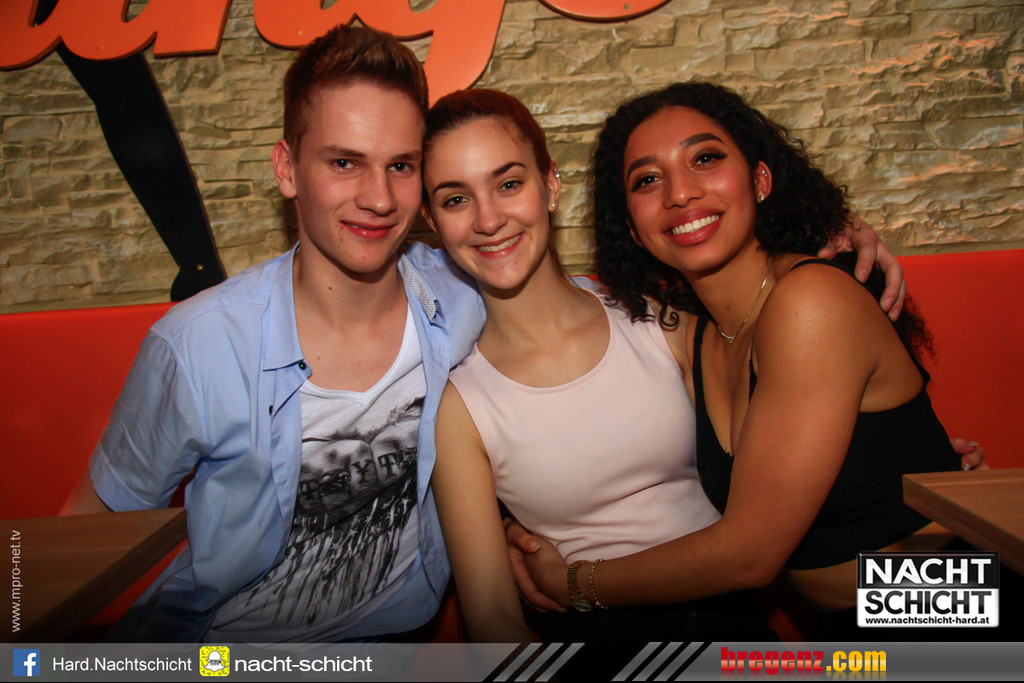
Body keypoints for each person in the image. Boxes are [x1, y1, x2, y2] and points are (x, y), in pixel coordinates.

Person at [421, 88, 946, 648]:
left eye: (705, 158)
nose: (680, 193)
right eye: (648, 180)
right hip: (840, 635)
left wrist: (572, 582)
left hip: (944, 611)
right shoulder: (706, 332)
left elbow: (751, 554)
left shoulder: (794, 303)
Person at [59, 24, 484, 643]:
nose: (379, 198)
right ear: (287, 170)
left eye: (401, 166)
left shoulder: (464, 295)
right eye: (344, 163)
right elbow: (84, 527)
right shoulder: (198, 346)